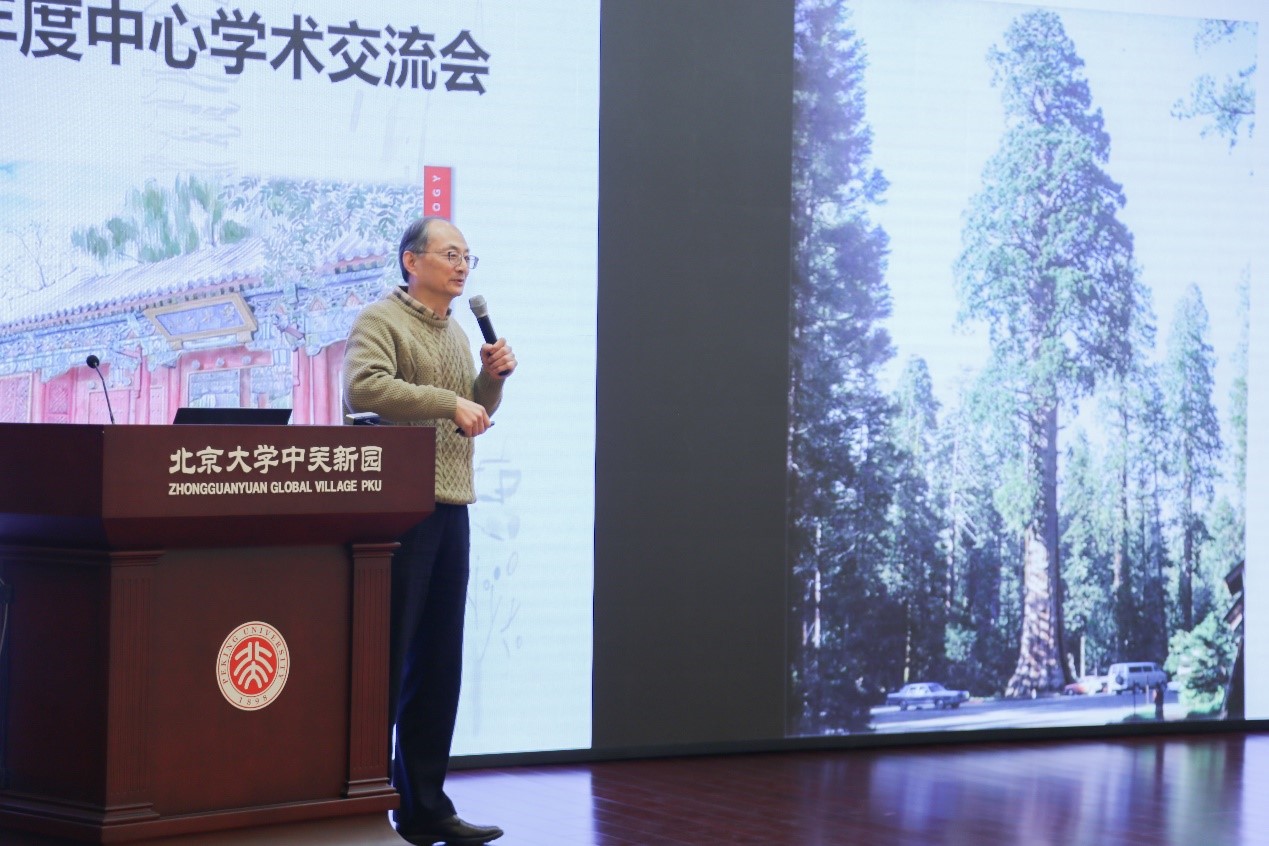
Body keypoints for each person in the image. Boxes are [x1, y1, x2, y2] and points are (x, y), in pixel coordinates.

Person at [342, 216, 516, 846]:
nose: (462, 265)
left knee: (438, 663)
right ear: (411, 262)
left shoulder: (457, 333)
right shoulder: (380, 320)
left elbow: (473, 414)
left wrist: (488, 381)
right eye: (449, 254)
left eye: (468, 255)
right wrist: (452, 402)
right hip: (396, 512)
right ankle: (361, 804)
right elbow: (365, 388)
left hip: (450, 505)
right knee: (385, 660)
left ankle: (426, 809)